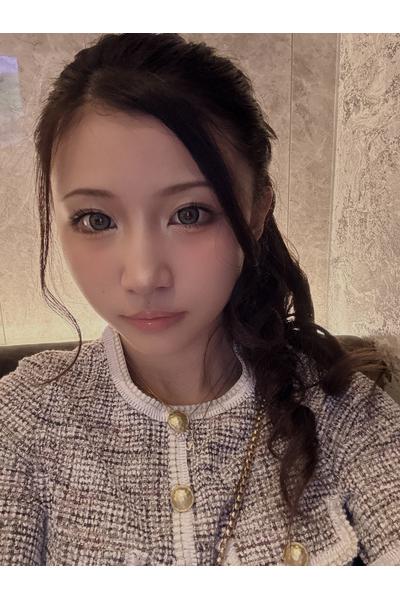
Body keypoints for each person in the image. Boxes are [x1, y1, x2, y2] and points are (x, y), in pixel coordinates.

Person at [0, 33, 399, 566]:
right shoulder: (25, 418)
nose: (143, 276)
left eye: (189, 213)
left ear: (256, 212)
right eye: (96, 219)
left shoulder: (346, 412)